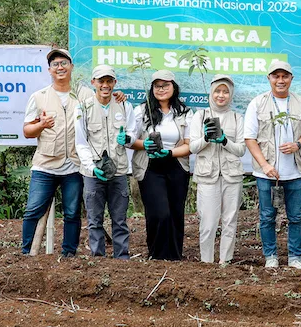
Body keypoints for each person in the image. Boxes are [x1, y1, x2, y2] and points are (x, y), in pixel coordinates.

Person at [21, 48, 95, 257]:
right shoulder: (39, 97)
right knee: (33, 210)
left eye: (63, 63)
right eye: (55, 64)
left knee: (72, 212)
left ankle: (69, 254)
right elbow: (27, 131)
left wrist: (118, 96)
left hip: (74, 165)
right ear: (49, 70)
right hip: (45, 165)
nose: (60, 67)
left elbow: (104, 105)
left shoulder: (85, 95)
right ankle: (27, 253)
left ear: (71, 67)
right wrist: (41, 125)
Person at [244, 60, 301, 269]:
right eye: (276, 76)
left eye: (285, 76)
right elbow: (249, 138)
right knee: (267, 217)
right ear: (269, 78)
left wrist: (297, 144)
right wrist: (265, 165)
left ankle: (295, 258)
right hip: (267, 174)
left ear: (291, 79)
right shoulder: (257, 103)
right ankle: (271, 257)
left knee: (296, 217)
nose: (280, 80)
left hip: (294, 172)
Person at [126, 70, 192, 260]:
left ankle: (175, 255)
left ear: (174, 87)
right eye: (157, 86)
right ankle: (157, 254)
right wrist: (144, 145)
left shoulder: (185, 112)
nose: (161, 89)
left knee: (175, 213)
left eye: (165, 85)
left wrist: (170, 152)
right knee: (159, 212)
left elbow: (189, 146)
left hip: (176, 165)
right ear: (152, 88)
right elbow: (130, 140)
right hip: (150, 167)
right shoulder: (142, 111)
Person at [74, 65, 133, 259]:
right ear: (93, 83)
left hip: (119, 171)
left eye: (109, 81)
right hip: (93, 174)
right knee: (94, 220)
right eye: (101, 81)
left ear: (115, 83)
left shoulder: (125, 105)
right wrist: (91, 167)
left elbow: (133, 132)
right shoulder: (83, 107)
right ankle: (97, 260)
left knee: (120, 219)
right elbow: (81, 142)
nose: (105, 85)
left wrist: (129, 138)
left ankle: (122, 258)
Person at [188, 74, 247, 265]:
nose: (221, 95)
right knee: (208, 222)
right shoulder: (200, 116)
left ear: (231, 95)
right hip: (207, 176)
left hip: (232, 176)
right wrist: (206, 138)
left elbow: (241, 149)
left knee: (230, 221)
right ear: (211, 93)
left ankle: (225, 261)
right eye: (217, 91)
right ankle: (206, 262)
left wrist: (224, 140)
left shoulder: (237, 118)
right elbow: (192, 148)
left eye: (225, 92)